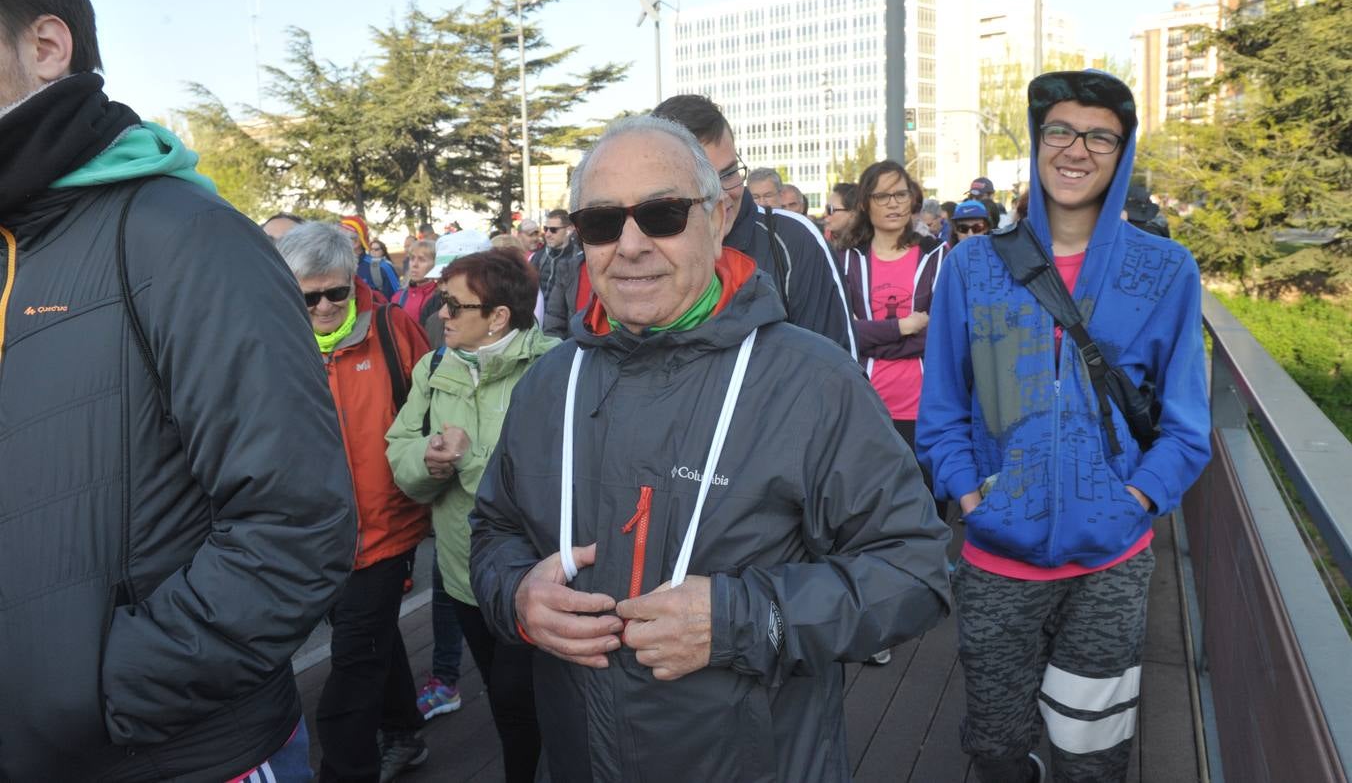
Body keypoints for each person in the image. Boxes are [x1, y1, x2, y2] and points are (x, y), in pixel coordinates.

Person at [469, 115, 952, 782]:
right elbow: (493, 528)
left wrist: (744, 619)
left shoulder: (809, 380)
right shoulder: (550, 382)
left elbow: (916, 569)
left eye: (663, 214)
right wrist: (516, 593)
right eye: (603, 223)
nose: (630, 245)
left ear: (719, 217)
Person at [0, 0, 355, 782]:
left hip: (176, 756)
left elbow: (295, 526)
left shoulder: (185, 236)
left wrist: (93, 694)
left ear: (47, 45)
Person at [917, 69, 1211, 783]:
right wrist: (970, 496)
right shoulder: (973, 267)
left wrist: (1132, 501)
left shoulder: (1166, 270)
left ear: (1123, 150)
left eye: (1099, 135)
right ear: (1037, 140)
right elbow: (944, 412)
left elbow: (1186, 426)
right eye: (1060, 130)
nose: (1076, 149)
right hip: (994, 557)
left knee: (1093, 752)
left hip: (1109, 563)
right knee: (993, 745)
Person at [388, 249, 557, 782]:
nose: (442, 313)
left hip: (532, 574)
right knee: (502, 695)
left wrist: (467, 459)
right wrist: (428, 461)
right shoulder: (434, 365)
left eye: (455, 305)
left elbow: (550, 482)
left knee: (517, 696)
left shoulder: (555, 366)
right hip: (462, 574)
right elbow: (399, 452)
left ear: (498, 316)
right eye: (441, 301)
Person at [276, 223, 433, 783]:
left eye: (335, 293)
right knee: (371, 639)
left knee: (351, 669)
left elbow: (433, 406)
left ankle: (346, 770)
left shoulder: (392, 328)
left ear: (352, 282)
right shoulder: (275, 341)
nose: (323, 306)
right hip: (314, 537)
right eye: (308, 295)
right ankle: (405, 731)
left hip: (384, 530)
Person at [652, 94, 857, 357]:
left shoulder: (793, 240)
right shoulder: (635, 249)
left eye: (728, 173)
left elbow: (838, 367)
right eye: (701, 182)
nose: (722, 195)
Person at [835, 160, 948, 584]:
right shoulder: (846, 259)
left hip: (923, 401)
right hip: (866, 400)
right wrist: (901, 326)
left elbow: (941, 330)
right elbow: (842, 330)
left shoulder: (935, 255)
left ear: (913, 197)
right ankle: (881, 578)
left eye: (900, 193)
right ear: (866, 203)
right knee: (872, 500)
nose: (894, 204)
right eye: (883, 195)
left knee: (927, 495)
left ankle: (930, 575)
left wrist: (876, 335)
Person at [341, 214, 401, 300]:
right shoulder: (335, 269)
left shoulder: (382, 267)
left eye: (339, 238)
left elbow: (399, 302)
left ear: (356, 242)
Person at [530, 207, 581, 303]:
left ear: (569, 230)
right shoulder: (538, 257)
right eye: (546, 229)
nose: (548, 234)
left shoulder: (578, 259)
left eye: (553, 230)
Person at [393, 238, 438, 322]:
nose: (414, 264)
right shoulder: (399, 297)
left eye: (422, 260)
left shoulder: (442, 297)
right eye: (412, 258)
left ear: (435, 264)